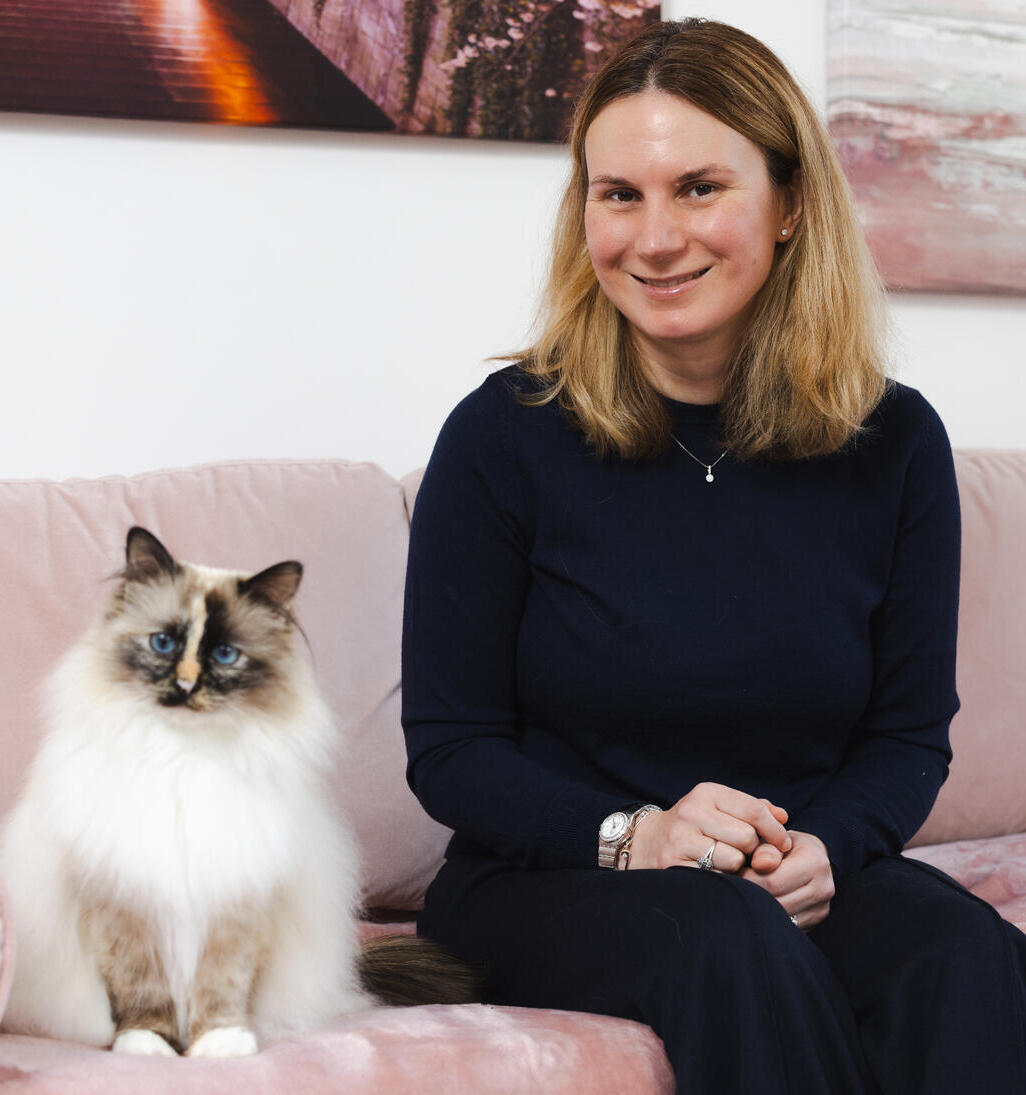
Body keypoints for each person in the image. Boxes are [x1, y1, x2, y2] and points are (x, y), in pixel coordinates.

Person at [401, 18, 1026, 1094]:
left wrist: (829, 845)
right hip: (554, 875)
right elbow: (450, 750)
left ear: (787, 207)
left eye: (699, 188)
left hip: (783, 875)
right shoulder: (504, 432)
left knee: (964, 953)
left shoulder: (897, 445)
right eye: (618, 194)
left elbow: (909, 736)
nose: (652, 239)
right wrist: (633, 836)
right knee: (724, 940)